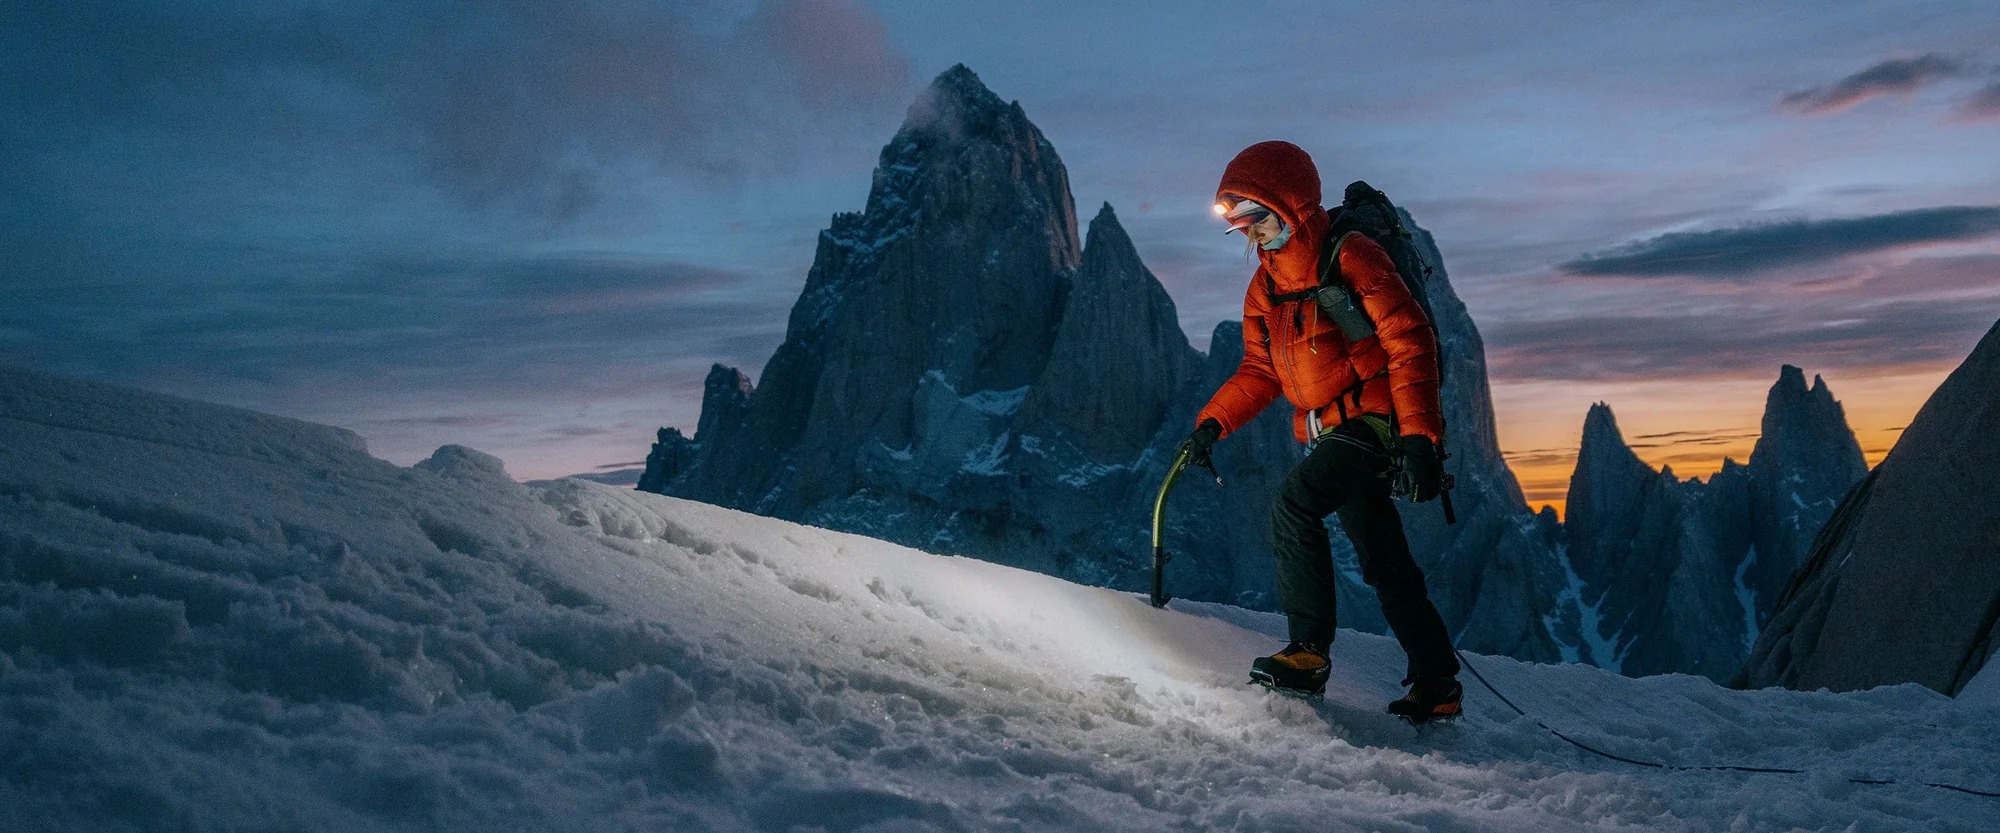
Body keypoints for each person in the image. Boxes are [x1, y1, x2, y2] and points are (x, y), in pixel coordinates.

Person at [1180, 140, 1462, 722]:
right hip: (1331, 428)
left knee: (1296, 502)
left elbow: (1410, 342)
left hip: (1376, 420)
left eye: (1256, 216)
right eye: (1239, 223)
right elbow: (1260, 371)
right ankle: (1437, 685)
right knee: (1383, 558)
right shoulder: (1265, 287)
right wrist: (1211, 424)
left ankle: (1308, 654)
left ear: (1291, 205)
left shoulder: (1352, 255)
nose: (1250, 232)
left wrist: (1419, 439)